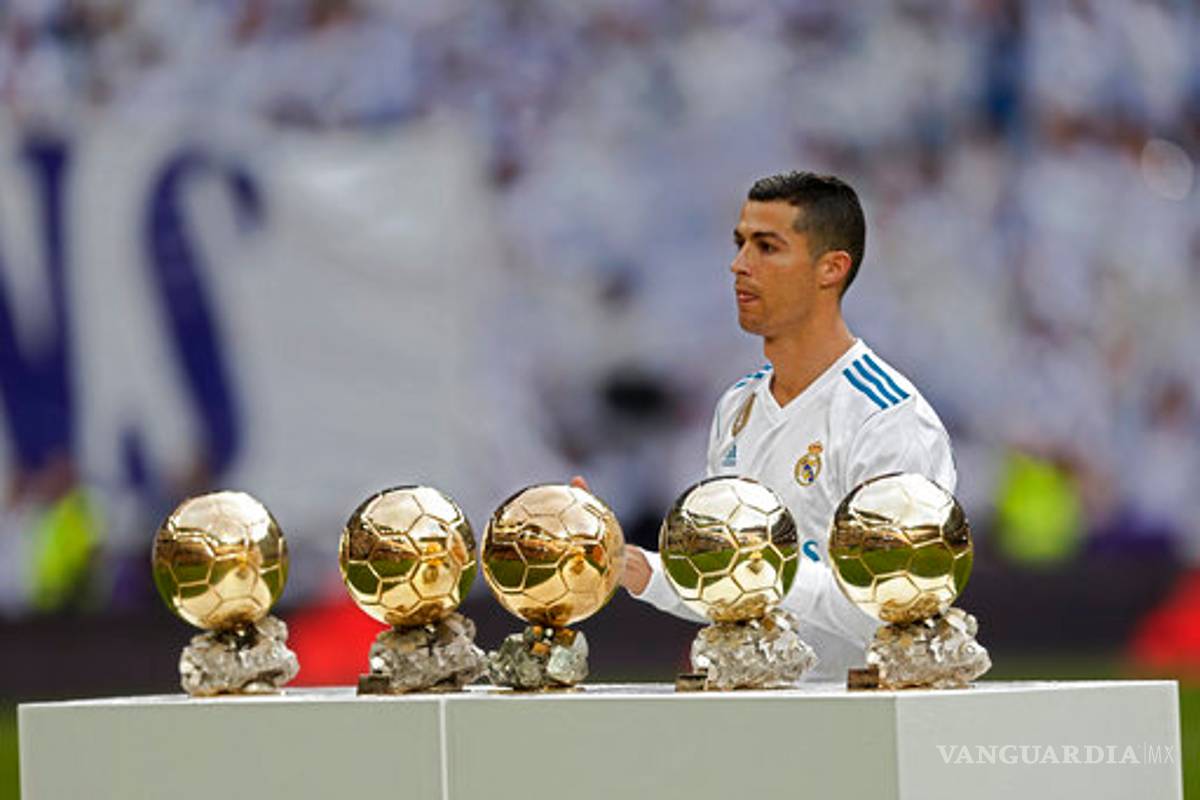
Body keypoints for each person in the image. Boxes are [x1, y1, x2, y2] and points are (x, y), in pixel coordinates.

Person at [578, 171, 956, 681]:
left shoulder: (886, 417)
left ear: (831, 269)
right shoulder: (737, 407)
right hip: (756, 711)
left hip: (852, 718)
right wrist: (643, 569)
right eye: (739, 245)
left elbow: (894, 610)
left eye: (766, 247)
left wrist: (752, 567)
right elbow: (728, 587)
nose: (738, 266)